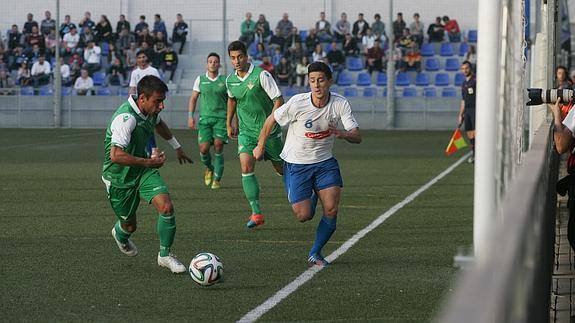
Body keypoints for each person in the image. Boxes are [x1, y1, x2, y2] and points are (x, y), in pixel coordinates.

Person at [253, 61, 361, 267]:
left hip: (325, 163)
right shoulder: (297, 103)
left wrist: (343, 133)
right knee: (304, 215)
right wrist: (260, 145)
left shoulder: (340, 104)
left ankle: (315, 253)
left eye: (320, 80)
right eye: (312, 81)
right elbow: (271, 120)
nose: (316, 85)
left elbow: (357, 136)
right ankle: (311, 194)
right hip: (296, 163)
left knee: (331, 209)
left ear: (330, 81)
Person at [102, 75, 192, 273]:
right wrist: (150, 161)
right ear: (142, 98)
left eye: (162, 101)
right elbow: (115, 155)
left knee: (166, 207)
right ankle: (120, 234)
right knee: (129, 226)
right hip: (119, 179)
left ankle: (165, 255)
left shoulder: (149, 111)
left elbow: (159, 123)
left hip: (142, 171)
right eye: (158, 101)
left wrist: (177, 147)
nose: (161, 106)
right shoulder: (126, 119)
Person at [225, 40, 284, 228]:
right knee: (246, 167)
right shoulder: (230, 80)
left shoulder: (262, 75)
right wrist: (229, 123)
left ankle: (302, 192)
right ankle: (256, 212)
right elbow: (232, 100)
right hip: (247, 133)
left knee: (281, 169)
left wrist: (271, 121)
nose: (236, 61)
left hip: (270, 132)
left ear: (246, 56)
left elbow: (278, 100)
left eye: (240, 56)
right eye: (233, 58)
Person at [188, 53, 228, 189]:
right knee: (204, 149)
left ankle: (217, 179)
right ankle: (209, 168)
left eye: (215, 62)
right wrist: (190, 116)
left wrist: (233, 121)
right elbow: (193, 98)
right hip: (205, 119)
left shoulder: (225, 80)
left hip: (221, 119)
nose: (213, 63)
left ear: (219, 64)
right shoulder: (200, 79)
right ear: (207, 64)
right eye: (210, 61)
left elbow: (232, 101)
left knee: (218, 145)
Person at [129, 50, 161, 156]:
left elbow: (159, 87)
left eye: (143, 57)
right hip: (139, 105)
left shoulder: (153, 71)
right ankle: (149, 151)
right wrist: (131, 102)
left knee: (148, 127)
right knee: (140, 127)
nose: (142, 59)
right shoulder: (135, 72)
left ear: (147, 58)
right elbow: (132, 89)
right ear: (137, 60)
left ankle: (152, 151)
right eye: (139, 57)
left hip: (150, 104)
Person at [457, 61, 476, 163]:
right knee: (469, 133)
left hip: (475, 109)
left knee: (476, 132)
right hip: (467, 111)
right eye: (463, 69)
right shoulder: (464, 84)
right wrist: (461, 115)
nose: (465, 70)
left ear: (470, 68)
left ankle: (479, 154)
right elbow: (463, 100)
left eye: (466, 68)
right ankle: (474, 154)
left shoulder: (475, 80)